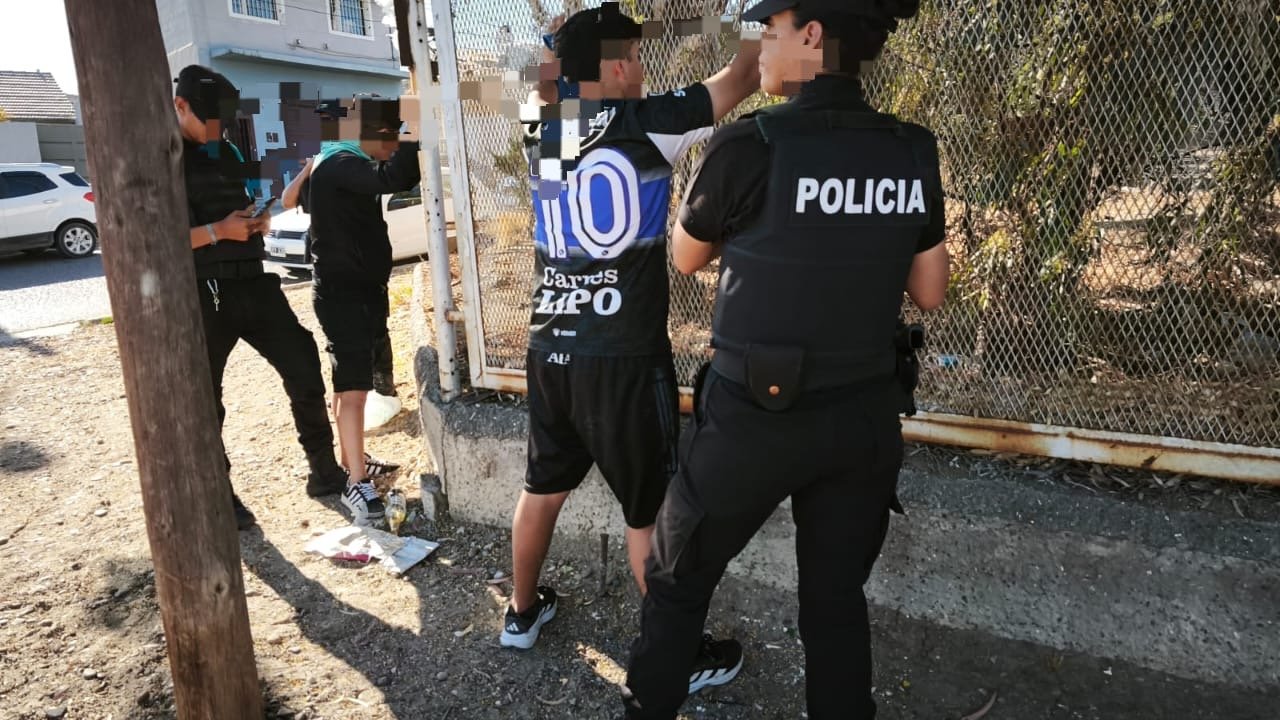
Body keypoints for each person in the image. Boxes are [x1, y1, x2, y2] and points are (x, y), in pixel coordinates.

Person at [620, 0, 949, 718]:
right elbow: (929, 292)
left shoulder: (750, 143)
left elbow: (686, 256)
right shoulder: (911, 149)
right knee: (834, 601)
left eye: (770, 33)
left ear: (812, 35)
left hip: (753, 420)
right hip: (862, 418)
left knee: (677, 581)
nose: (760, 50)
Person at [501, 0, 760, 686]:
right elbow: (743, 77)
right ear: (617, 67)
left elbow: (543, 81)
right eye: (636, 57)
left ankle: (520, 614)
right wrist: (761, 24)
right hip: (622, 356)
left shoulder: (540, 128)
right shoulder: (651, 122)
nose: (642, 68)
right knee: (649, 513)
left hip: (549, 346)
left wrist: (556, 46)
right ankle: (679, 658)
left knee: (542, 487)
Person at [174, 65, 349, 530]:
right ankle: (220, 495)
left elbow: (242, 199)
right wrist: (218, 231)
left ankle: (324, 471)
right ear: (180, 106)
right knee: (205, 399)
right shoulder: (162, 156)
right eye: (209, 120)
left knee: (303, 361)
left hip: (252, 279)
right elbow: (153, 238)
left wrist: (256, 220)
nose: (218, 129)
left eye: (224, 121)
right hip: (205, 291)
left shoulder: (226, 149)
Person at [290, 96, 421, 525]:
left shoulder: (341, 163)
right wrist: (415, 124)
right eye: (391, 139)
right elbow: (398, 177)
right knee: (353, 389)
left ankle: (354, 461)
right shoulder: (340, 164)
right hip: (343, 295)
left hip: (355, 291)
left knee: (349, 384)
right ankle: (356, 485)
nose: (393, 148)